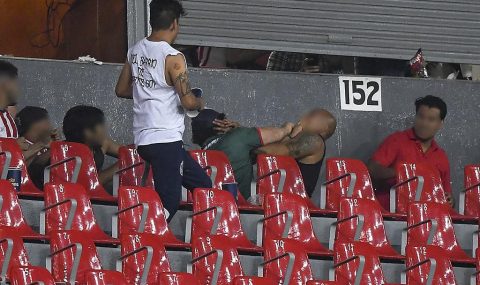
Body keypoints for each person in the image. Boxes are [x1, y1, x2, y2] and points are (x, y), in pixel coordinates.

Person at [115, 0, 212, 219]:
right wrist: (199, 102)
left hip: (145, 139)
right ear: (175, 24)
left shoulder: (135, 51)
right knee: (169, 202)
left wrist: (148, 91)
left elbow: (121, 89)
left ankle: (194, 239)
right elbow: (187, 102)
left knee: (203, 186)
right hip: (164, 139)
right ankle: (142, 240)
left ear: (151, 21)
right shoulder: (174, 58)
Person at [192, 108, 337, 199]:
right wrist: (241, 133)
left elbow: (270, 153)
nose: (303, 116)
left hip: (292, 201)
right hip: (271, 197)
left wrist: (240, 137)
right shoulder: (290, 139)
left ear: (323, 128)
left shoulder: (315, 141)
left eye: (311, 115)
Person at [368, 95, 452, 210]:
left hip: (427, 216)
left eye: (431, 120)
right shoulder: (397, 140)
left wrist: (451, 200)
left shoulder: (441, 156)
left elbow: (447, 194)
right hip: (391, 214)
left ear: (440, 124)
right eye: (421, 117)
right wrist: (402, 173)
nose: (424, 124)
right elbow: (372, 169)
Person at [0, 60, 49, 161]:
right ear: (7, 84)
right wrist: (10, 147)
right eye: (16, 84)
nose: (18, 90)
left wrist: (40, 146)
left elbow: (16, 166)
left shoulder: (7, 118)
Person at [62, 105, 121, 188]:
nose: (105, 131)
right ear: (88, 132)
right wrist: (122, 165)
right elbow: (88, 184)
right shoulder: (67, 153)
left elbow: (131, 153)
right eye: (102, 127)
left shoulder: (103, 144)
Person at [15, 106, 60, 188]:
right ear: (34, 124)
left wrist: (53, 146)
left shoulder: (48, 145)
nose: (50, 123)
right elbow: (22, 167)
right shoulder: (18, 145)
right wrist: (42, 144)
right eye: (46, 119)